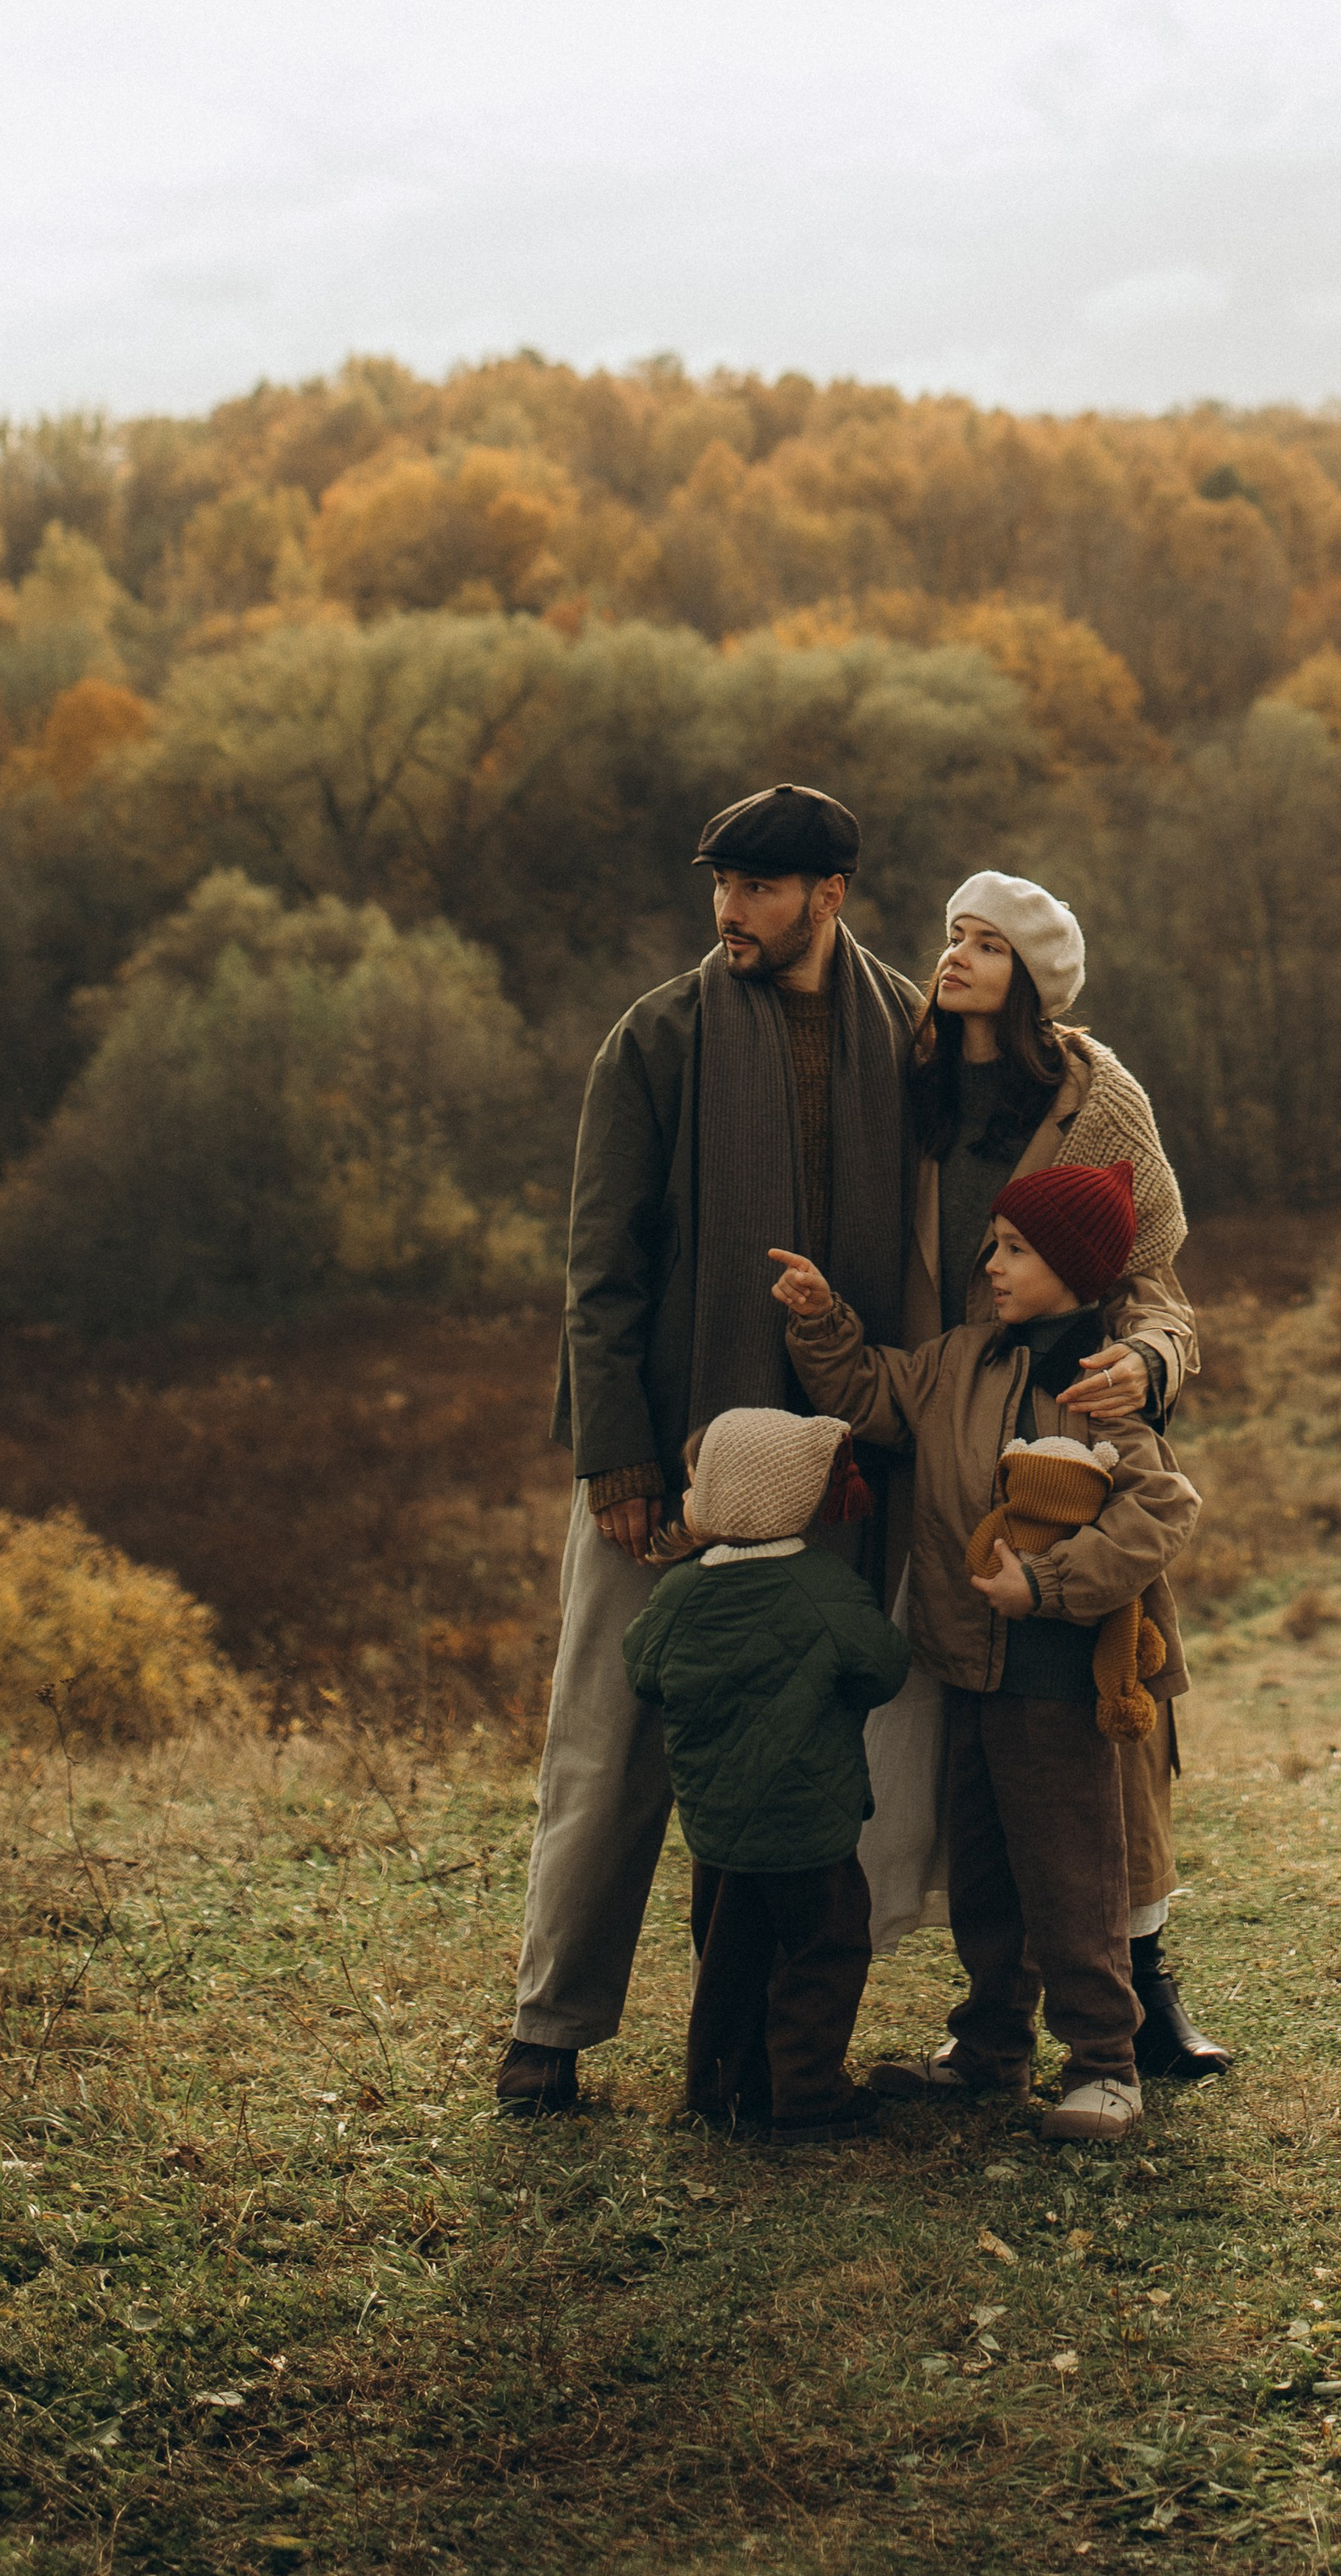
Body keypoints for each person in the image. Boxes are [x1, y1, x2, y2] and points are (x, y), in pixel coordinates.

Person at [497, 783, 922, 2119]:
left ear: (829, 898)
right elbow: (600, 1269)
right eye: (720, 885)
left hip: (833, 1464)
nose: (730, 909)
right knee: (611, 1746)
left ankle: (762, 2057)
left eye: (759, 887)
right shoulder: (659, 1036)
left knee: (805, 1759)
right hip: (675, 1464)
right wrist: (618, 1462)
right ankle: (549, 2032)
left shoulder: (908, 1028)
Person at [879, 869, 1231, 2081]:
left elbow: (1159, 1286)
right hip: (933, 1421)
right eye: (951, 937)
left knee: (1112, 1728)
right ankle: (991, 2018)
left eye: (984, 944)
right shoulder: (904, 1082)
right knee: (968, 1755)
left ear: (1031, 977)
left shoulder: (1098, 1099)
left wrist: (1146, 1358)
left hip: (1069, 1426)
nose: (955, 957)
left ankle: (1139, 1994)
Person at [776, 1155, 1200, 2142]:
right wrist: (819, 1317)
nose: (994, 1266)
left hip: (1058, 1676)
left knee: (1072, 1878)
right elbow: (870, 1392)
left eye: (1015, 1250)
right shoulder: (959, 1358)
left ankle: (1105, 2063)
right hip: (969, 1666)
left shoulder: (1095, 1381)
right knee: (985, 1871)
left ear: (1072, 1265)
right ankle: (990, 2047)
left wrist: (1048, 1585)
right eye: (993, 1248)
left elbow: (1160, 1508)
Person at [621, 1407, 911, 2143]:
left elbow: (643, 1671)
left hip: (717, 1826)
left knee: (727, 1958)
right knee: (826, 1951)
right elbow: (882, 1668)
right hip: (811, 1828)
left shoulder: (681, 1592)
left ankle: (722, 2089)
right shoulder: (824, 1585)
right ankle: (807, 2093)